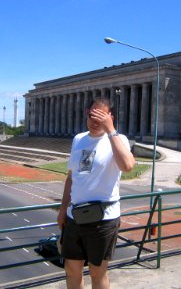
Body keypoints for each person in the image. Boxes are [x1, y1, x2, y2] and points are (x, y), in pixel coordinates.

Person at [57, 97, 135, 289]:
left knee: (97, 272)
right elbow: (72, 177)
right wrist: (62, 209)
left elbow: (127, 166)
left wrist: (110, 131)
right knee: (72, 269)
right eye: (92, 115)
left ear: (111, 117)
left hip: (103, 218)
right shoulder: (79, 139)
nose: (94, 121)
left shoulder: (118, 139)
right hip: (74, 216)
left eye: (100, 116)